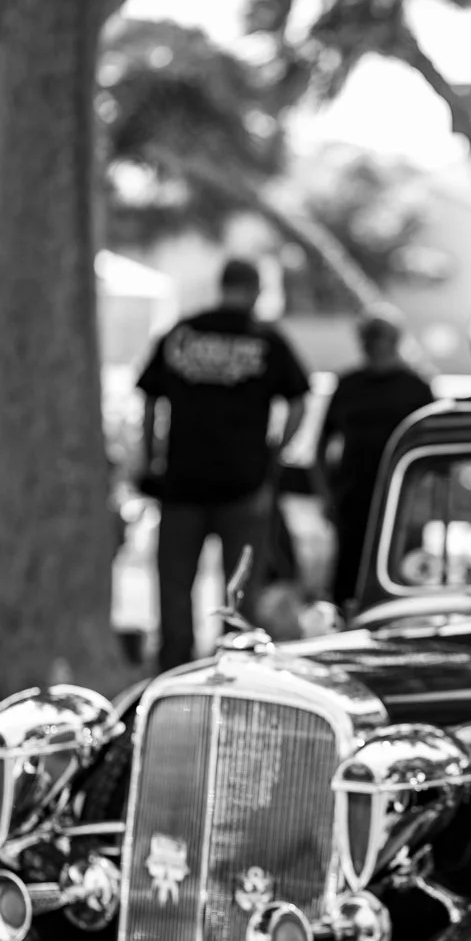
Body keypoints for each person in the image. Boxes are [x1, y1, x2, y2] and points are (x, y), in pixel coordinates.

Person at [137, 257, 311, 672]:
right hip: (244, 485)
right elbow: (299, 402)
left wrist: (152, 457)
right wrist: (273, 453)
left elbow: (149, 399)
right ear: (255, 290)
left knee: (175, 589)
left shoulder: (182, 333)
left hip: (181, 482)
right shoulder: (266, 340)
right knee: (240, 594)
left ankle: (172, 673)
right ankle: (234, 675)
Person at [318, 308, 435, 607]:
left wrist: (423, 498)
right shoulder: (349, 385)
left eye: (381, 337)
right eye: (370, 337)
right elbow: (323, 443)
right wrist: (325, 492)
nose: (375, 344)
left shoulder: (416, 388)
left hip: (402, 498)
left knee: (401, 575)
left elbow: (432, 450)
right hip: (353, 496)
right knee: (349, 576)